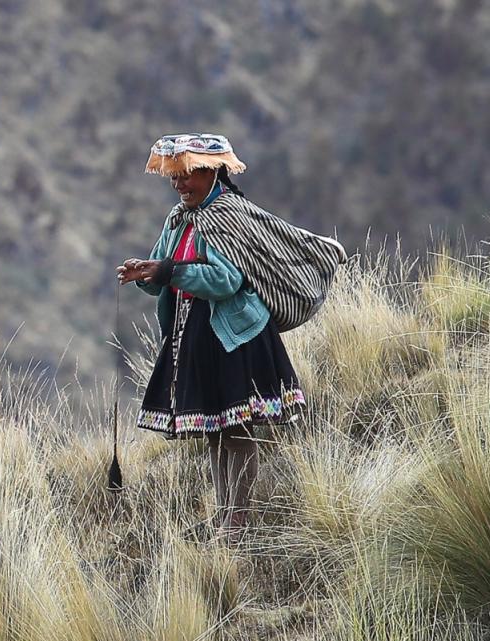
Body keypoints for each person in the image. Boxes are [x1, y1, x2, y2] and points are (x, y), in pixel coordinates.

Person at [117, 133, 346, 543]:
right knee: (215, 430)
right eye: (176, 179)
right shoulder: (180, 219)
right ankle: (227, 520)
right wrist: (145, 273)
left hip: (234, 338)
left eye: (190, 177)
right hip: (196, 337)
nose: (181, 185)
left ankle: (237, 524)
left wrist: (168, 270)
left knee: (236, 430)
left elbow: (226, 280)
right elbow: (163, 275)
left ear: (212, 172)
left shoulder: (227, 215)